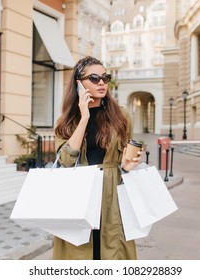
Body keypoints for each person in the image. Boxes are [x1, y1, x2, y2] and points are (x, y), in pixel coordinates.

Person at [53, 56, 142, 260]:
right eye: (94, 78)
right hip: (79, 193)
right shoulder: (66, 121)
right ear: (79, 83)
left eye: (105, 77)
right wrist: (84, 118)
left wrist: (129, 165)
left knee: (111, 249)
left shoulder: (121, 115)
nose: (101, 82)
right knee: (79, 250)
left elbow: (125, 159)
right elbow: (66, 161)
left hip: (111, 195)